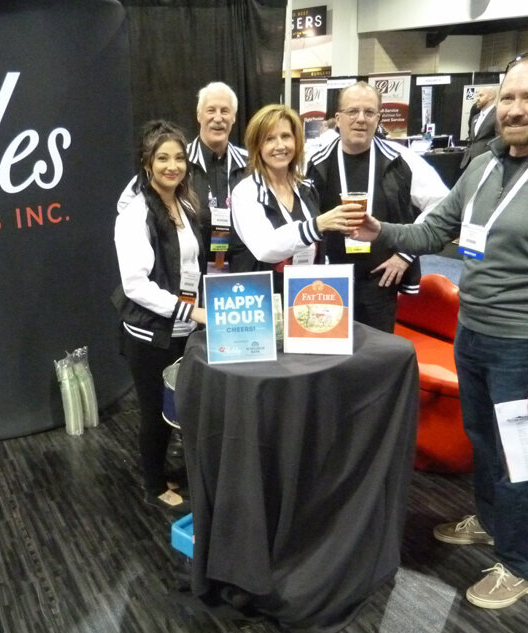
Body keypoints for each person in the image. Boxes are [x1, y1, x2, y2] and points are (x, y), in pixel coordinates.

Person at [352, 50, 528, 609]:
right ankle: (489, 519)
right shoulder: (482, 166)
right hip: (472, 333)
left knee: (521, 460)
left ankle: (521, 564)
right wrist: (379, 227)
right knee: (482, 441)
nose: (516, 109)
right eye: (508, 97)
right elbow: (435, 231)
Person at [112, 120, 207, 511]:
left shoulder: (183, 203)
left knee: (178, 408)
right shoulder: (136, 212)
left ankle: (167, 470)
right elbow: (135, 285)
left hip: (184, 326)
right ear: (147, 163)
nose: (173, 165)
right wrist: (192, 311)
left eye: (179, 157)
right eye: (163, 157)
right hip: (151, 333)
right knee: (155, 413)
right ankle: (153, 485)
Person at [306, 81, 449, 333]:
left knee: (375, 359)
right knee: (328, 359)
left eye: (369, 112)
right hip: (326, 280)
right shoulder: (315, 162)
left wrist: (405, 254)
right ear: (338, 119)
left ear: (378, 118)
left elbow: (443, 207)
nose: (361, 119)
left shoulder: (401, 160)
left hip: (379, 280)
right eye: (352, 111)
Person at [230, 104, 363, 293]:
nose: (280, 146)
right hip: (262, 303)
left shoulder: (306, 188)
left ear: (297, 141)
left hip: (305, 298)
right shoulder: (245, 192)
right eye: (269, 139)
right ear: (257, 146)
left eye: (285, 136)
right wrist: (317, 225)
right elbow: (265, 248)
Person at [118, 82, 247, 273]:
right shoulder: (177, 161)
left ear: (234, 117)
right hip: (191, 273)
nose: (218, 118)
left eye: (225, 111)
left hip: (242, 271)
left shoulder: (251, 164)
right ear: (199, 115)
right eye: (211, 110)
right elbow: (125, 202)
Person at [461, 86, 498, 170]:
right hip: (470, 162)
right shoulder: (475, 117)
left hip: (487, 163)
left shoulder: (497, 115)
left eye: (481, 96)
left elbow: (499, 141)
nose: (477, 98)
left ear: (491, 96)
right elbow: (472, 139)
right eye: (477, 96)